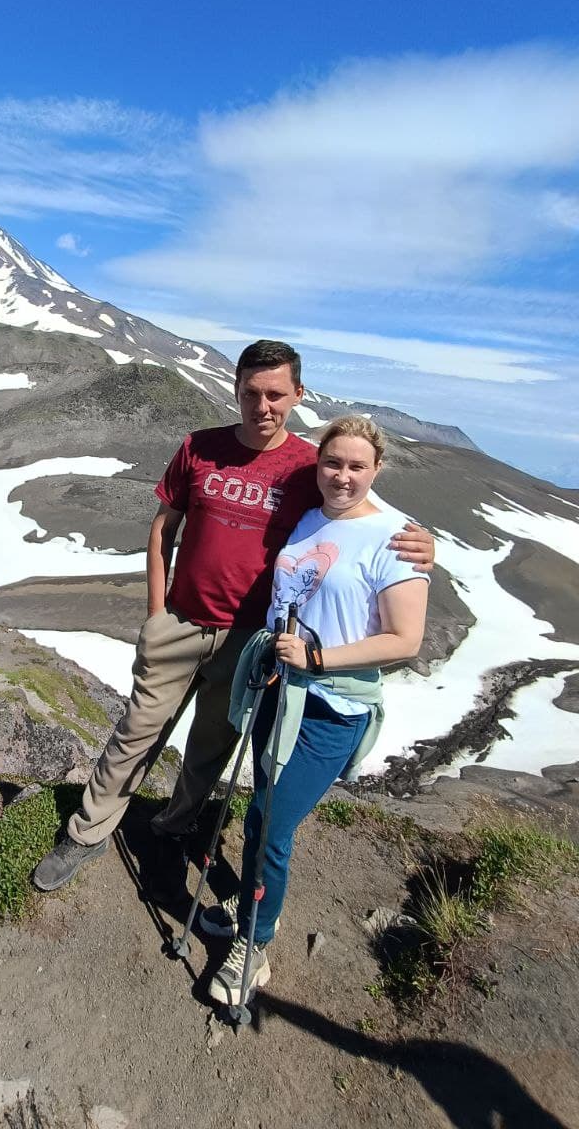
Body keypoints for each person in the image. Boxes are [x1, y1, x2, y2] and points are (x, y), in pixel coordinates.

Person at [32, 342, 434, 896]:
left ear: (297, 394)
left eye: (275, 394)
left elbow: (358, 508)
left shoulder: (307, 466)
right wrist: (156, 616)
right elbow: (160, 532)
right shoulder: (200, 447)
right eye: (251, 392)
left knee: (211, 744)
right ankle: (86, 832)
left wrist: (424, 545)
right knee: (136, 732)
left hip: (249, 640)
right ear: (236, 389)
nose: (262, 405)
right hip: (181, 622)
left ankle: (175, 824)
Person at [203, 415, 429, 1005]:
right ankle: (252, 892)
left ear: (377, 470)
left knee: (271, 823)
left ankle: (255, 943)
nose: (343, 476)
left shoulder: (396, 538)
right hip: (278, 690)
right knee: (260, 813)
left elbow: (405, 639)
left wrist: (318, 656)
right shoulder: (309, 519)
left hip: (332, 707)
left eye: (357, 466)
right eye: (333, 463)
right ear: (319, 465)